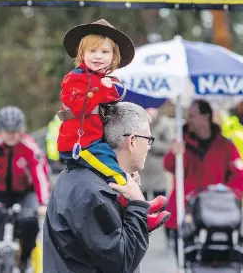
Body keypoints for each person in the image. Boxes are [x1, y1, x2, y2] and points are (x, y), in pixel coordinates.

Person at [57, 19, 169, 231]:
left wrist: (110, 88)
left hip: (97, 140)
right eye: (92, 51)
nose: (98, 56)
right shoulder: (74, 79)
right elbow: (80, 106)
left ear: (114, 57)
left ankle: (133, 207)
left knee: (120, 170)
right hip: (81, 145)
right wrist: (100, 89)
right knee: (116, 173)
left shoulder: (104, 80)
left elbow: (113, 101)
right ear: (82, 54)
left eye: (104, 52)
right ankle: (141, 209)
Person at [43, 102, 154, 273]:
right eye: (148, 140)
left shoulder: (90, 179)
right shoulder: (92, 192)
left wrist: (133, 215)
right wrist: (138, 205)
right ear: (132, 141)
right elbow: (122, 263)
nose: (148, 147)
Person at [163, 100, 243, 260]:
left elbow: (240, 176)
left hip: (216, 214)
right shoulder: (181, 144)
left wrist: (227, 197)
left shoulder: (226, 146)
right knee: (185, 261)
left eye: (192, 116)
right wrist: (174, 153)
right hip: (185, 210)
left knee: (213, 262)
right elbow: (169, 166)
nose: (188, 120)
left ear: (206, 116)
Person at [0, 106, 50, 273]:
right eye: (7, 132)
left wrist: (43, 203)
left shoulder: (30, 147)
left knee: (30, 222)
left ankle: (24, 257)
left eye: (15, 132)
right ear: (0, 130)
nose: (11, 136)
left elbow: (40, 175)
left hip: (24, 194)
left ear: (22, 130)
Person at [140, 107, 174, 242]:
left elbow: (169, 146)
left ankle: (169, 234)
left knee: (162, 205)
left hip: (158, 173)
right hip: (142, 172)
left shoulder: (164, 124)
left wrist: (152, 143)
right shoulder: (140, 122)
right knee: (141, 205)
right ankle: (141, 234)